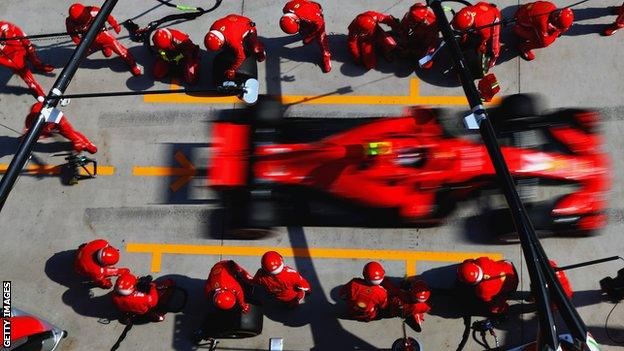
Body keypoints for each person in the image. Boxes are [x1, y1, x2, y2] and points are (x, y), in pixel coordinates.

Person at [65, 3, 142, 76]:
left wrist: (115, 25)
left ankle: (132, 64)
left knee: (122, 51)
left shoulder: (94, 11)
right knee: (80, 56)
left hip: (104, 36)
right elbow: (73, 34)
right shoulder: (69, 22)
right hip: (89, 41)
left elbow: (107, 16)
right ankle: (104, 47)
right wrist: (79, 43)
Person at [0, 21, 53, 98]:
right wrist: (12, 64)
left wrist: (28, 45)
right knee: (28, 78)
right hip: (14, 60)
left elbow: (20, 33)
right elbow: (1, 60)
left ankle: (38, 65)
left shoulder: (5, 26)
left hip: (22, 48)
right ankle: (38, 91)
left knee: (34, 58)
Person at [205, 14, 266, 80]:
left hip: (247, 26)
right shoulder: (214, 26)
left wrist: (233, 69)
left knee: (255, 47)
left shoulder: (233, 41)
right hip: (234, 20)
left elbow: (241, 56)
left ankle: (261, 53)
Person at [24, 102, 97, 154]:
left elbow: (69, 132)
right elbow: (29, 127)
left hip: (57, 125)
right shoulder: (31, 119)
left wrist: (78, 143)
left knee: (69, 133)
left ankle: (87, 145)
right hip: (48, 127)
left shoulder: (58, 119)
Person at [280, 0, 331, 72]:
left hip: (315, 16)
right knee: (306, 31)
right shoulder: (287, 8)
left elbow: (320, 24)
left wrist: (315, 33)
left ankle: (326, 56)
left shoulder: (311, 16)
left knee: (321, 39)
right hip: (304, 14)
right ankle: (310, 35)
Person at [451, 2, 501, 68]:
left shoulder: (483, 27)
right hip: (482, 7)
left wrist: (481, 46)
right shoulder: (464, 12)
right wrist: (464, 38)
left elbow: (486, 37)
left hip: (494, 16)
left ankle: (494, 58)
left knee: (494, 43)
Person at [399, 3, 439, 69]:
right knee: (402, 48)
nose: (410, 21)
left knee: (425, 64)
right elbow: (403, 29)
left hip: (430, 41)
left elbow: (429, 44)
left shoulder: (431, 26)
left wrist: (414, 51)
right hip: (418, 35)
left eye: (412, 21)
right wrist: (405, 41)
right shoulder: (410, 16)